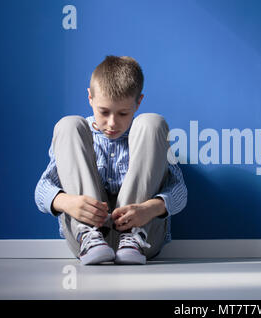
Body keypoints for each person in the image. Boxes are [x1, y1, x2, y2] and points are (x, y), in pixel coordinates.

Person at [34, 55, 187, 265]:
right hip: (84, 239)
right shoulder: (79, 134)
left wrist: (149, 209)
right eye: (103, 112)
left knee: (153, 122)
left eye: (123, 113)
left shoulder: (147, 134)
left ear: (138, 102)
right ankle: (90, 236)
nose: (112, 123)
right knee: (68, 124)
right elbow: (42, 189)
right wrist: (69, 203)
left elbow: (180, 191)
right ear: (90, 98)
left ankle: (132, 237)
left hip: (143, 239)